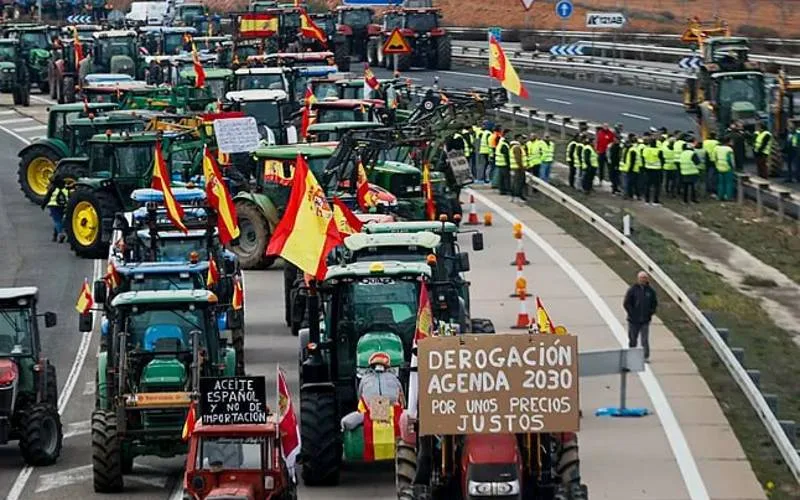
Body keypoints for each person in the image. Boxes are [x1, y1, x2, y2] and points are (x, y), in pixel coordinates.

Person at [623, 271, 658, 362]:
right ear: (638, 279)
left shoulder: (650, 291)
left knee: (644, 340)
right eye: (641, 278)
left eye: (645, 278)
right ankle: (632, 356)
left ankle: (645, 357)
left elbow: (654, 303)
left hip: (645, 320)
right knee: (633, 339)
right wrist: (632, 313)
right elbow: (627, 303)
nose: (643, 280)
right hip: (633, 320)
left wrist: (650, 313)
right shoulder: (632, 290)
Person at [41, 177, 70, 243]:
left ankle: (60, 234)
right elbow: (70, 197)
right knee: (61, 221)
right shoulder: (66, 188)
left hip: (53, 206)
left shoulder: (53, 188)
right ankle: (55, 236)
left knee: (57, 221)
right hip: (64, 206)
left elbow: (47, 197)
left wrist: (43, 205)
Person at [642, 137, 665, 205]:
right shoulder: (659, 151)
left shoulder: (646, 149)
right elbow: (662, 160)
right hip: (657, 169)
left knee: (647, 185)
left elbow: (643, 158)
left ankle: (647, 200)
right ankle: (655, 200)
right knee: (657, 186)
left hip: (647, 169)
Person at [661, 132, 678, 198]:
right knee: (673, 181)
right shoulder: (675, 150)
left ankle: (666, 190)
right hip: (674, 167)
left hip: (666, 167)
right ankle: (672, 192)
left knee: (667, 180)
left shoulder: (665, 149)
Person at [509, 135, 526, 201]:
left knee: (514, 182)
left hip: (514, 167)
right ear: (518, 139)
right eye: (522, 139)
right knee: (518, 183)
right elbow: (518, 159)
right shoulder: (517, 148)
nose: (523, 140)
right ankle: (517, 196)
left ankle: (513, 196)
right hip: (518, 168)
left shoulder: (513, 147)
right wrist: (522, 168)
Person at [495, 129, 511, 195]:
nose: (510, 136)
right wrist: (509, 164)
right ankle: (506, 190)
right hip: (503, 163)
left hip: (499, 163)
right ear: (506, 134)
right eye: (509, 134)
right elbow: (506, 155)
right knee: (506, 178)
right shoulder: (504, 143)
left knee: (501, 178)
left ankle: (502, 190)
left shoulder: (501, 142)